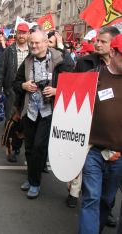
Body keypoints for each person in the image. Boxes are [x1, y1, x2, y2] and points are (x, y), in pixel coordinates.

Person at [13, 29, 74, 199]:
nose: (33, 45)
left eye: (37, 42)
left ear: (46, 43)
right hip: (30, 110)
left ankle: (35, 183)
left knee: (40, 147)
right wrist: (24, 86)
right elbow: (15, 83)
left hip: (49, 111)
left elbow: (73, 85)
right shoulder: (27, 60)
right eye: (31, 42)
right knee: (30, 147)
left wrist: (56, 90)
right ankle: (31, 177)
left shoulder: (61, 59)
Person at [68, 26, 120, 211]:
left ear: (113, 47)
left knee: (107, 195)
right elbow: (71, 92)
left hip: (115, 145)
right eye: (97, 40)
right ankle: (74, 192)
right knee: (90, 194)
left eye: (102, 41)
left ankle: (105, 212)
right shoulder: (85, 63)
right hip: (89, 135)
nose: (97, 43)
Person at [78, 33, 122, 234]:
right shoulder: (94, 77)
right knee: (91, 198)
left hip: (119, 156)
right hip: (93, 151)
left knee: (106, 200)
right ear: (113, 53)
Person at [0, 22, 30, 163]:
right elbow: (1, 71)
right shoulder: (9, 51)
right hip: (12, 92)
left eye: (24, 32)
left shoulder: (32, 51)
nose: (21, 35)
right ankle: (12, 150)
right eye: (19, 32)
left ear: (28, 34)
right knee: (11, 122)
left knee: (26, 123)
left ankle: (23, 149)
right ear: (16, 33)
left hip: (28, 93)